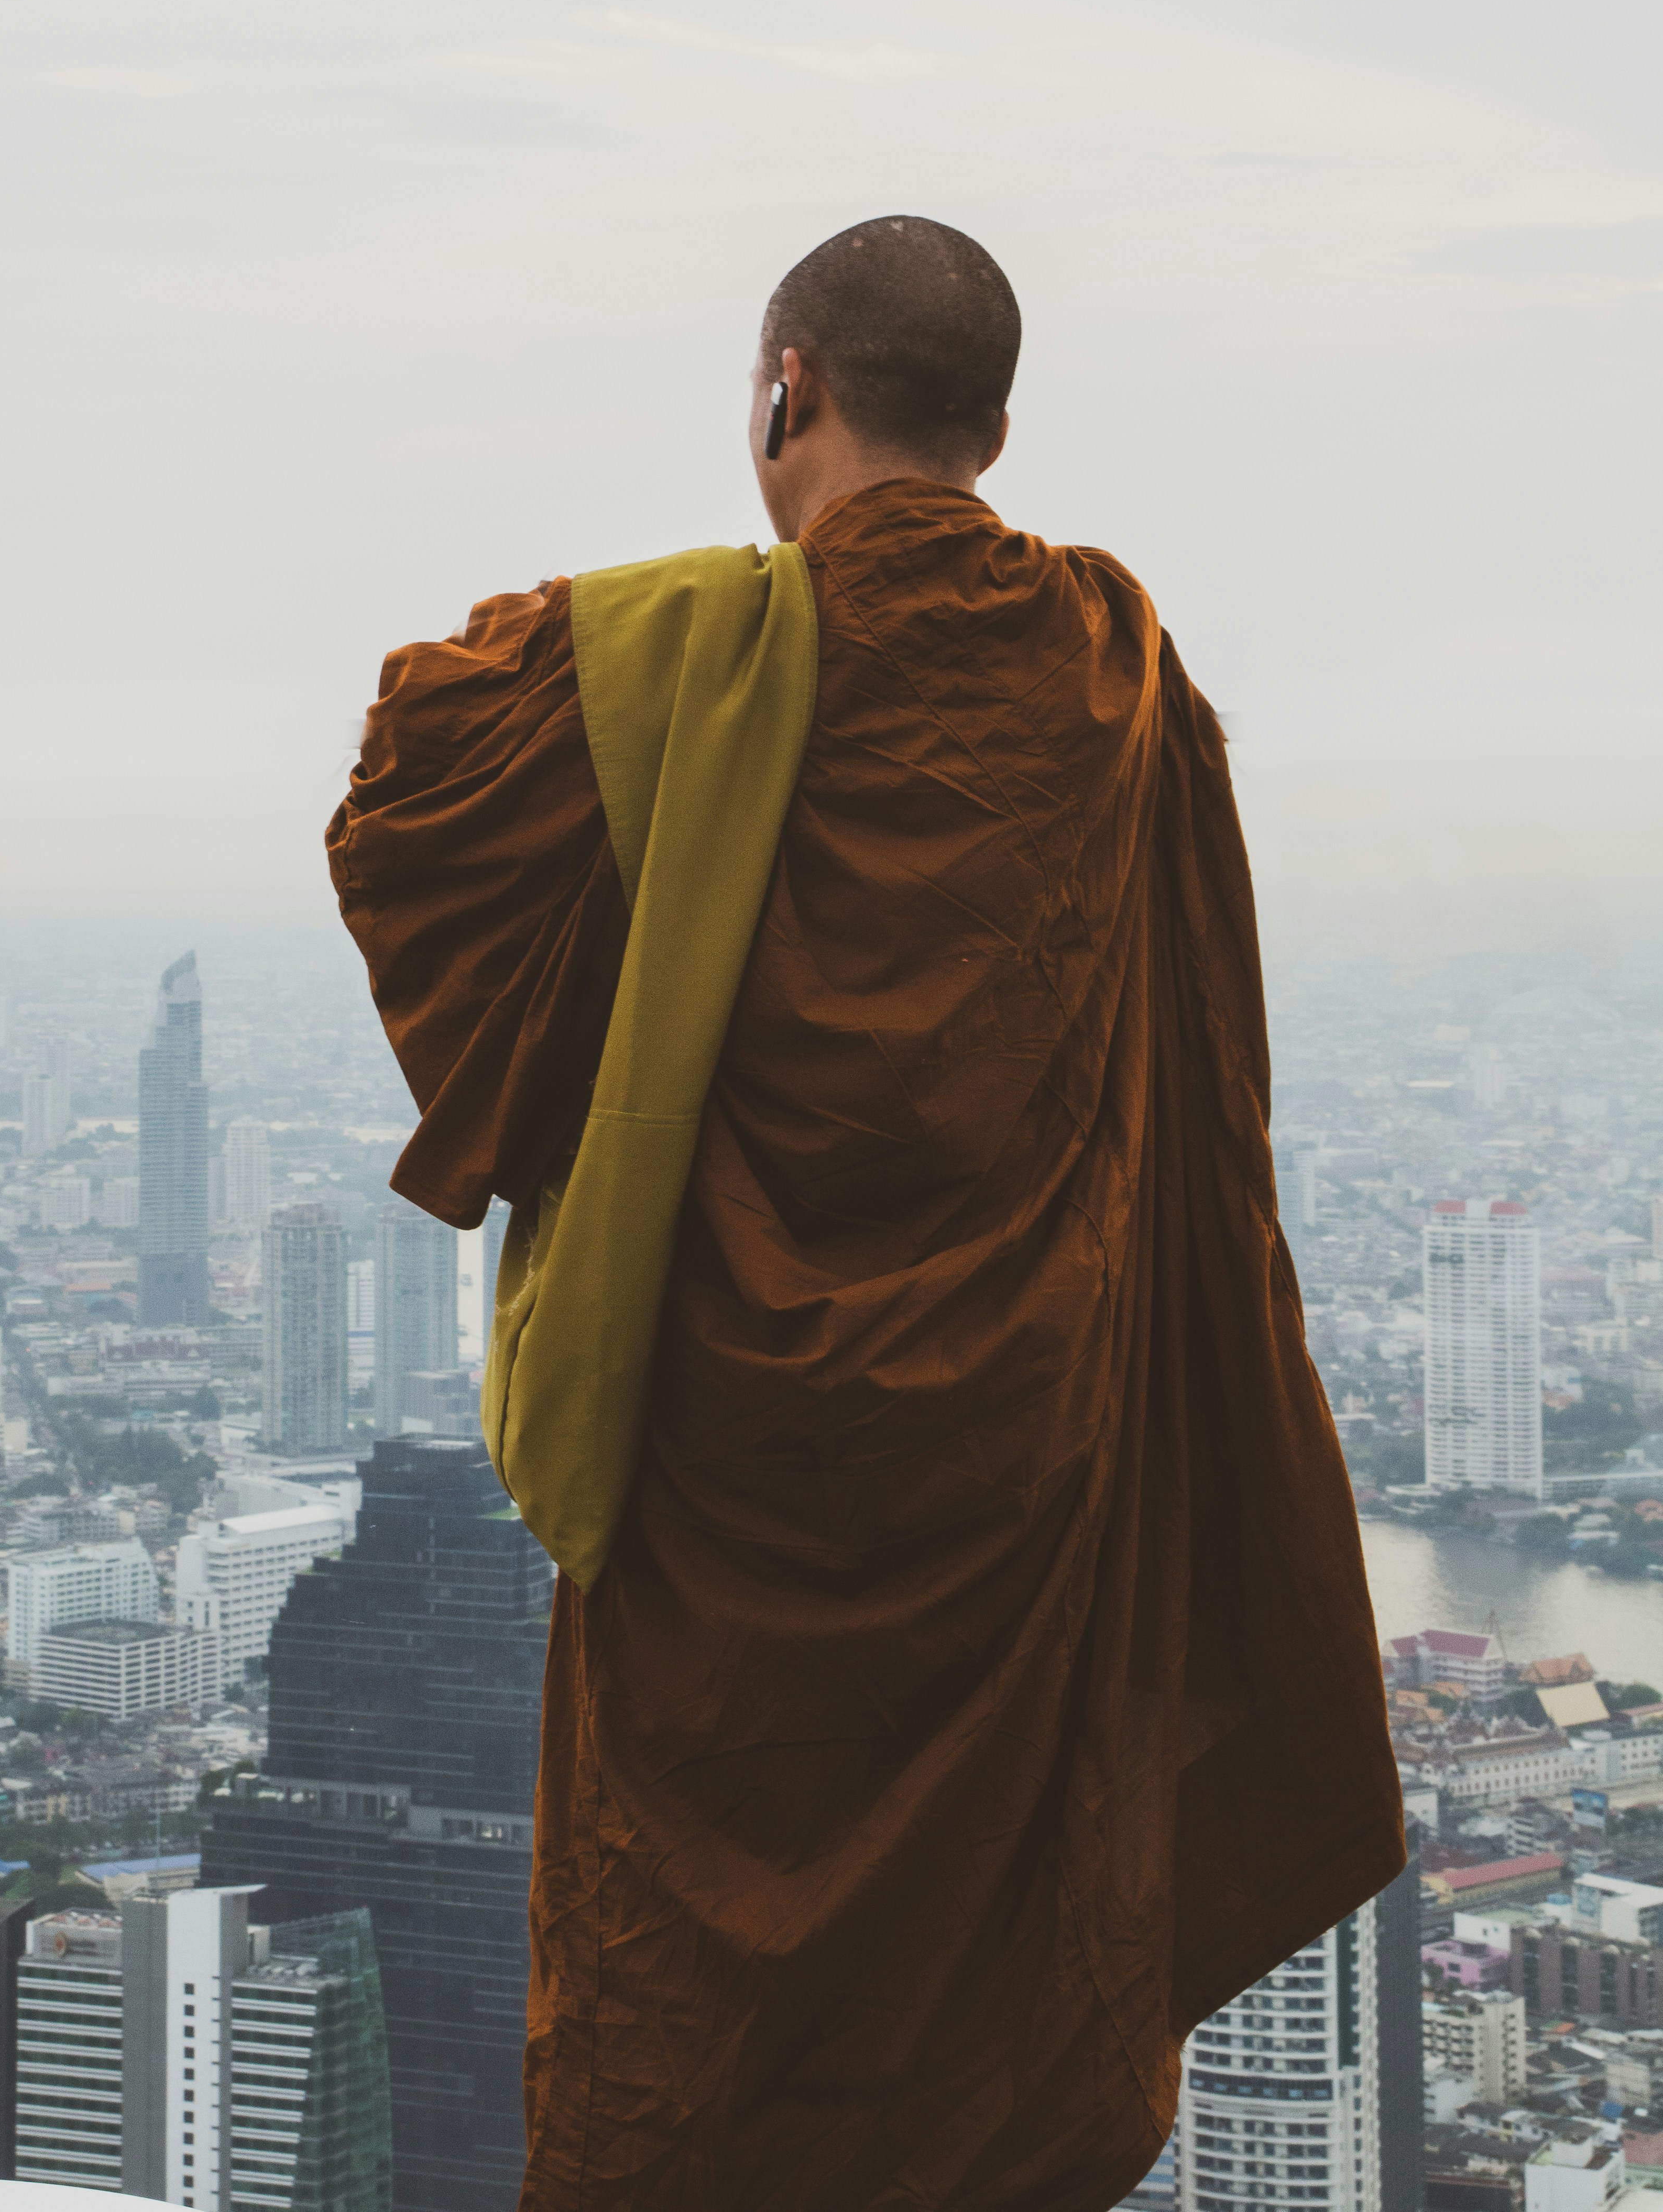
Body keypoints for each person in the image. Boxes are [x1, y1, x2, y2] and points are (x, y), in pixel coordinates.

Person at [327, 215, 1402, 2212]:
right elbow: (1198, 1072)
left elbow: (407, 796)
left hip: (725, 1465)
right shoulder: (1111, 666)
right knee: (990, 2010)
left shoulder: (661, 652)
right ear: (995, 428)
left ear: (783, 393)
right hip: (1026, 1459)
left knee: (687, 2022)